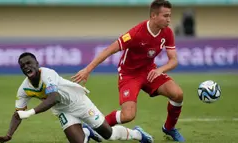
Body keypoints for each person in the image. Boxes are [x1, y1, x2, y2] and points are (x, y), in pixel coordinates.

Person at [71, 0, 184, 142]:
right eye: (165, 16)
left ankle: (169, 128)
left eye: (170, 16)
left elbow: (173, 60)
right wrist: (88, 69)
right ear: (154, 16)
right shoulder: (135, 33)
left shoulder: (167, 32)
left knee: (178, 94)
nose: (169, 20)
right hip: (129, 75)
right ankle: (93, 127)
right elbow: (108, 51)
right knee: (128, 115)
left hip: (150, 71)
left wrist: (160, 69)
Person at [0, 52, 154, 143]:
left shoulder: (47, 74)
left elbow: (53, 97)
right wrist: (9, 134)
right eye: (23, 66)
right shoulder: (24, 89)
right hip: (63, 111)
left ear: (37, 63)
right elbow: (17, 114)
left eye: (29, 63)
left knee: (109, 135)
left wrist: (30, 113)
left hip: (79, 103)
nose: (26, 67)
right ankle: (86, 133)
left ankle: (137, 134)